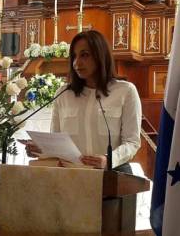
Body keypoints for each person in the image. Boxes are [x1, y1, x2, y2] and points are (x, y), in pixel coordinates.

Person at [26, 30, 142, 171]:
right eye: (74, 56)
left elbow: (132, 142)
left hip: (113, 175)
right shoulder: (63, 94)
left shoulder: (125, 91)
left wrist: (108, 159)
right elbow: (57, 144)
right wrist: (40, 149)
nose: (76, 63)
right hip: (73, 177)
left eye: (84, 55)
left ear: (100, 56)